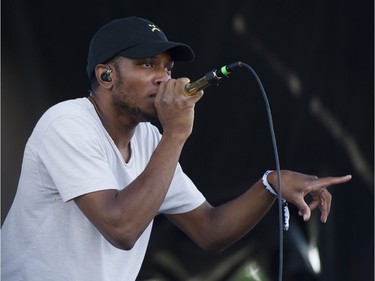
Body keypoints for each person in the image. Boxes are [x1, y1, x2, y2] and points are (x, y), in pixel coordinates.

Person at [1, 16, 351, 281]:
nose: (164, 78)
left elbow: (209, 229)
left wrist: (271, 184)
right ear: (106, 76)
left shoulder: (150, 140)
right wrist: (176, 133)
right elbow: (120, 227)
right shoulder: (67, 123)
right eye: (147, 65)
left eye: (167, 68)